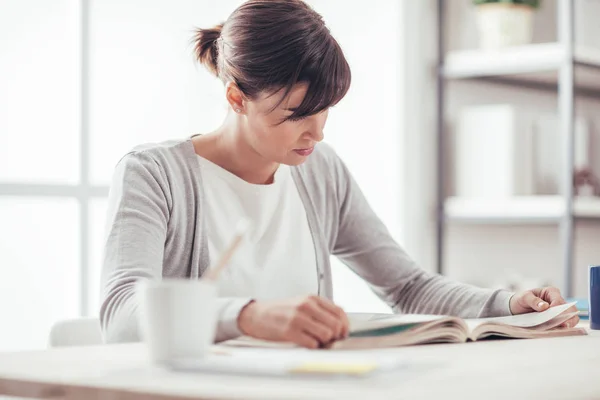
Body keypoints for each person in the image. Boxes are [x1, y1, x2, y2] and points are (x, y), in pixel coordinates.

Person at [100, 0, 578, 348]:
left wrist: (507, 305)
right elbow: (122, 313)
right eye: (294, 114)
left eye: (325, 110)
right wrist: (250, 316)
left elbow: (407, 286)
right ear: (235, 98)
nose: (317, 133)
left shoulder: (319, 171)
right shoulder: (154, 175)